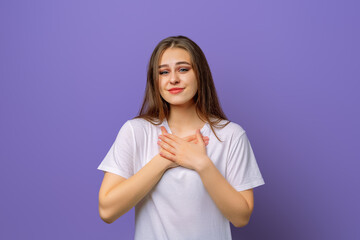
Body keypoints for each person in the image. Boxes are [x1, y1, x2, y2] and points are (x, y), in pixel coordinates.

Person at [97, 35, 265, 240]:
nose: (173, 79)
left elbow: (241, 217)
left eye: (183, 69)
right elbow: (107, 211)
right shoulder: (136, 131)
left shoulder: (230, 135)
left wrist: (202, 163)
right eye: (163, 72)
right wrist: (165, 159)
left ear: (200, 75)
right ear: (155, 80)